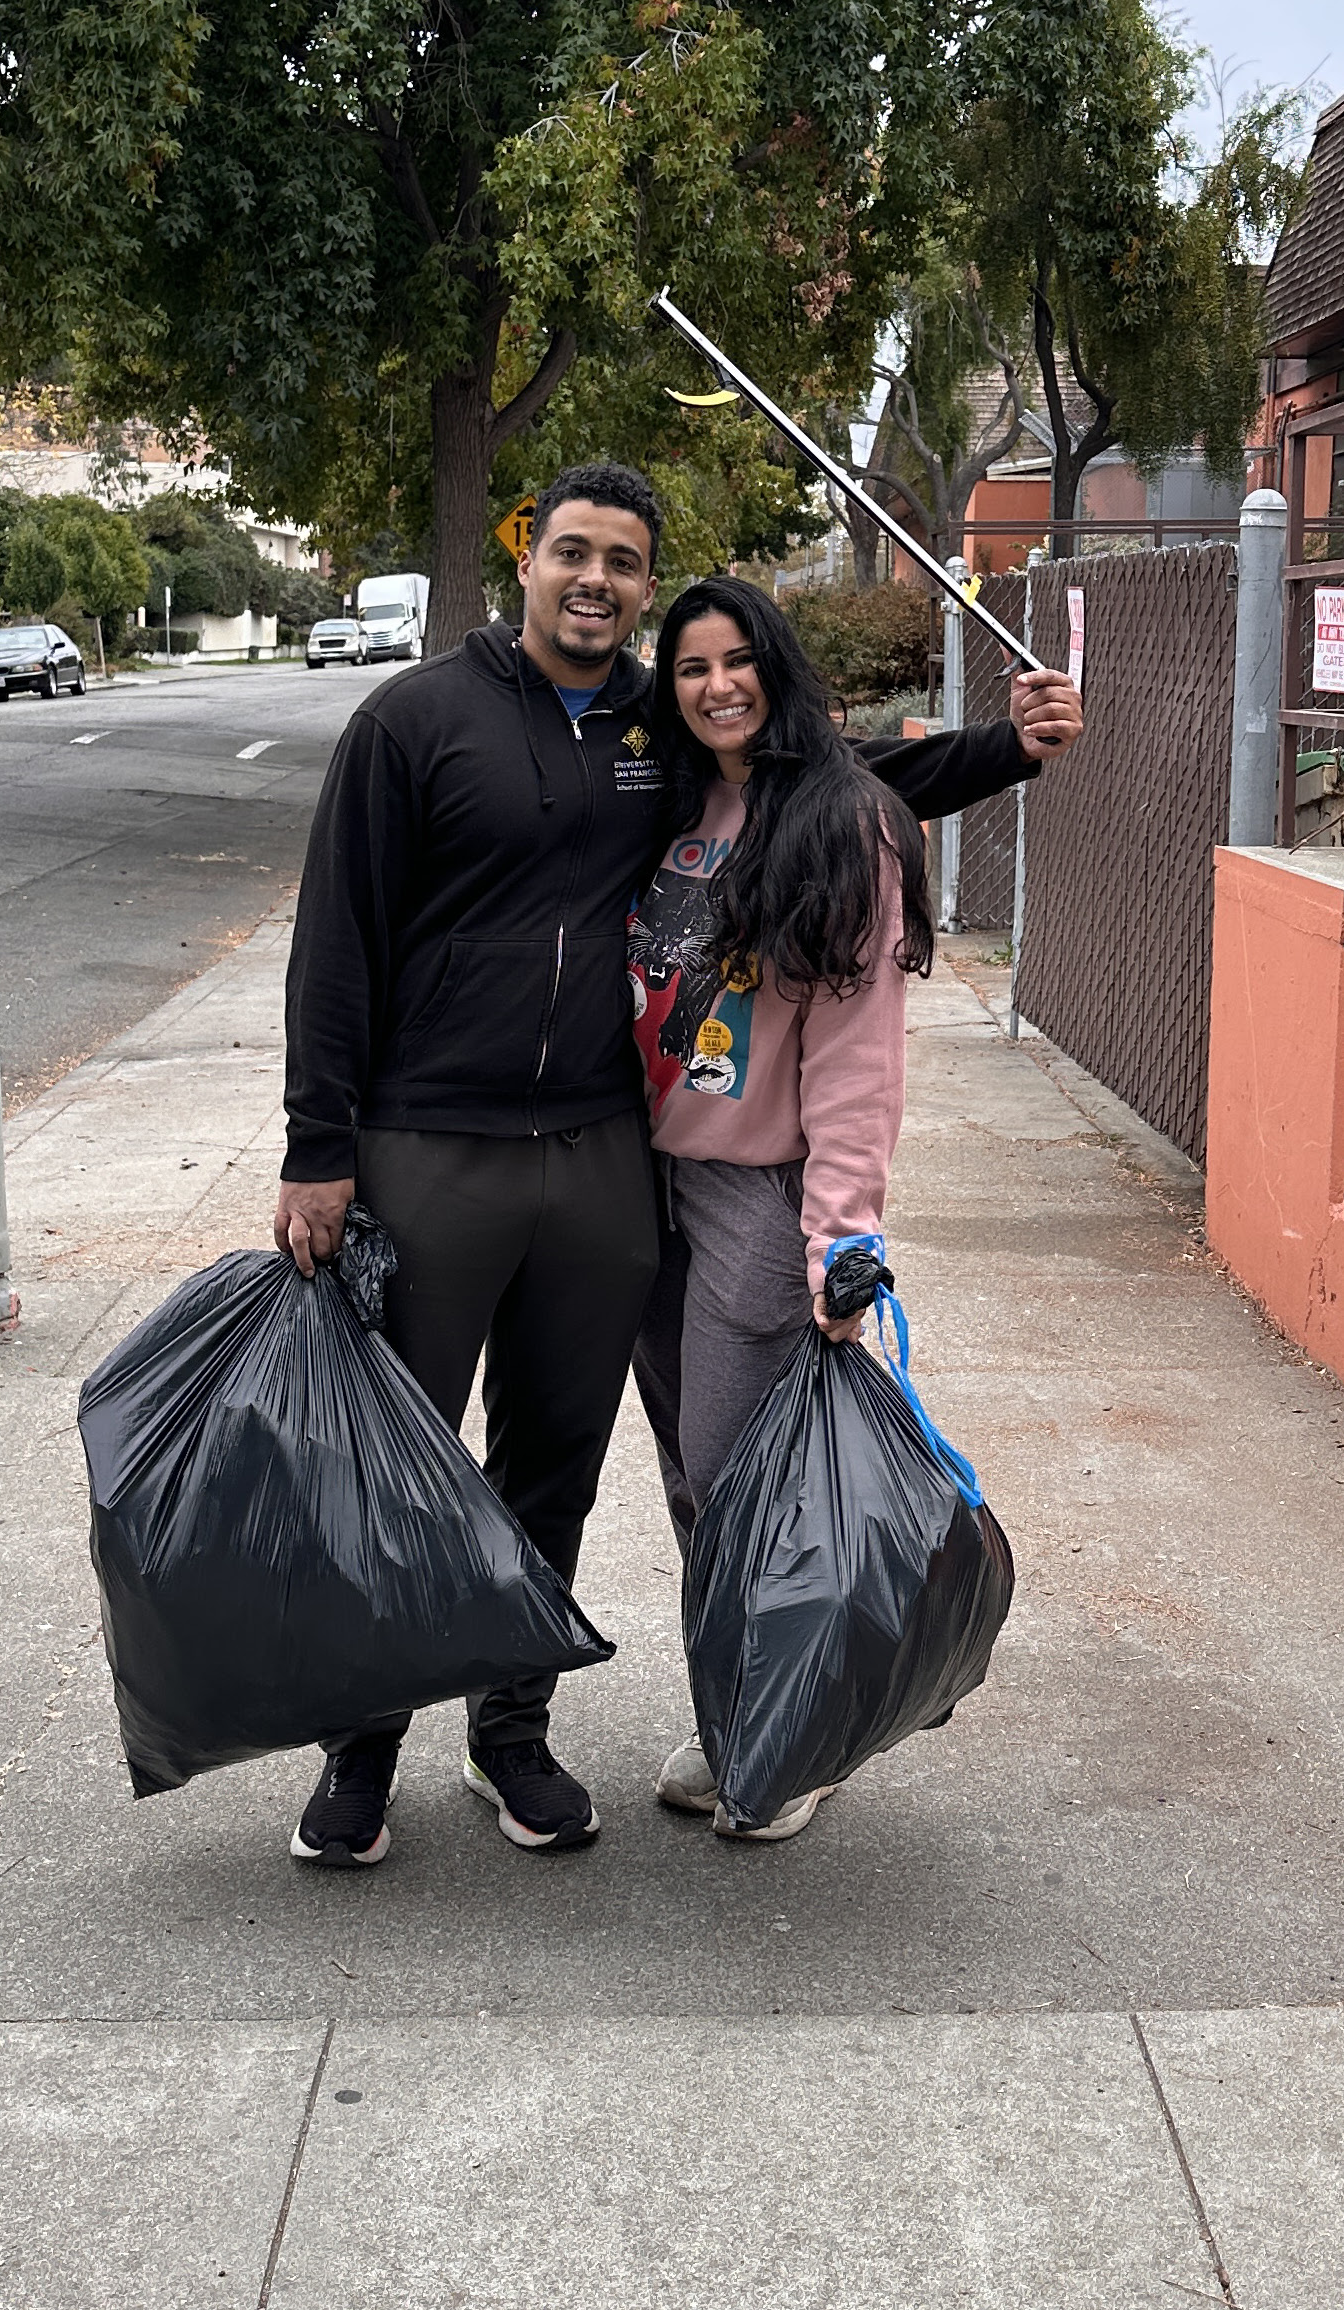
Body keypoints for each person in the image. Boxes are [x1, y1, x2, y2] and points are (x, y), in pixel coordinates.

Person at [274, 462, 1084, 1869]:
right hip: (428, 1150)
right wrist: (317, 1147)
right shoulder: (412, 720)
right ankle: (361, 1753)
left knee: (554, 1467)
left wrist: (1002, 753)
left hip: (599, 1160)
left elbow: (826, 779)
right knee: (394, 1465)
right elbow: (334, 941)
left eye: (623, 563)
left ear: (643, 584)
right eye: (571, 553)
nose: (595, 581)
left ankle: (509, 1735)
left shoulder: (649, 740)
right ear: (526, 558)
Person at [631, 576, 941, 1843]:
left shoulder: (844, 822)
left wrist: (841, 1236)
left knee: (739, 1474)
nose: (716, 686)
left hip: (758, 1197)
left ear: (778, 666)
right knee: (690, 1477)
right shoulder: (676, 806)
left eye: (737, 660)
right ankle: (739, 1714)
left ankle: (791, 1735)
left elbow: (858, 1057)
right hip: (638, 1185)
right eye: (692, 666)